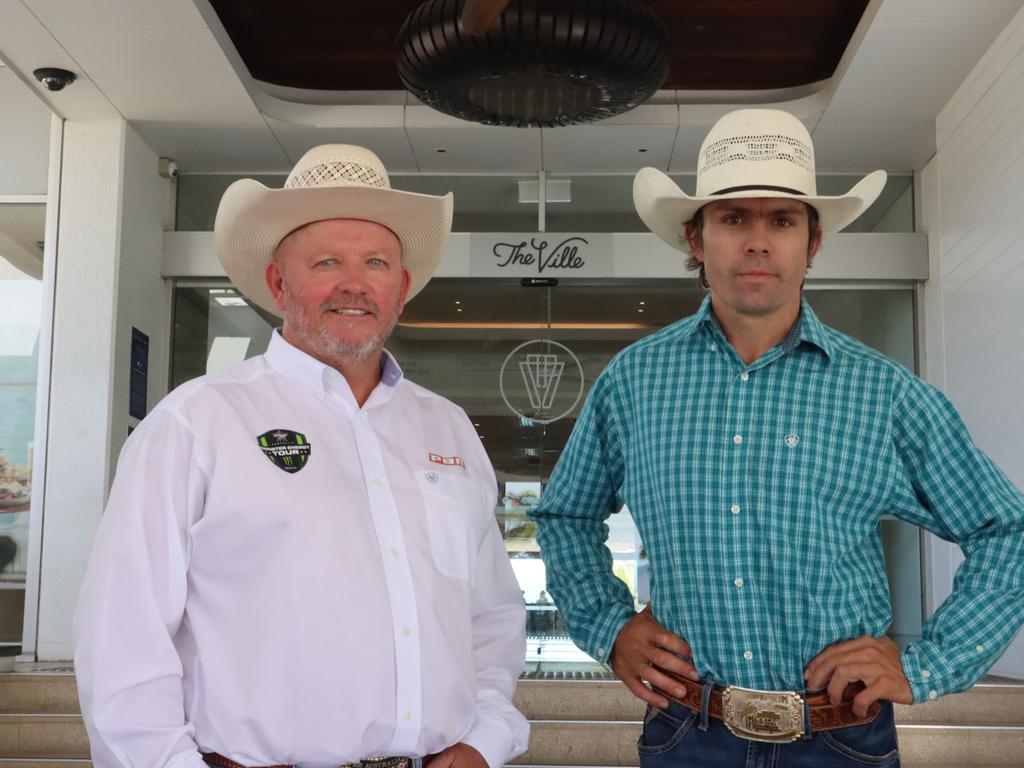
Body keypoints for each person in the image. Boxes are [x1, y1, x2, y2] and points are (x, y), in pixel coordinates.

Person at [529, 109, 1024, 766]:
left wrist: (929, 663)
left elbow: (1006, 531)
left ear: (812, 243)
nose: (757, 241)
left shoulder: (885, 394)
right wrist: (609, 625)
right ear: (696, 238)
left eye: (782, 220)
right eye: (733, 217)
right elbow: (565, 515)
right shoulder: (635, 383)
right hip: (687, 734)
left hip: (841, 737)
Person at [73, 145, 529, 768]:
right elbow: (122, 634)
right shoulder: (197, 422)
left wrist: (486, 738)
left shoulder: (447, 430)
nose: (353, 283)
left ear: (400, 288)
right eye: (326, 262)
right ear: (277, 283)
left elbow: (492, 616)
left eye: (375, 261)